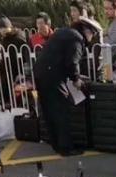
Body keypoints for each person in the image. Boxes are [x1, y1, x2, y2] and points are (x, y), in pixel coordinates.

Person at [33, 27, 85, 155]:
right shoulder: (76, 40)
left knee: (49, 111)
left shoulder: (63, 33)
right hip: (52, 75)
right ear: (88, 32)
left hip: (41, 72)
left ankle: (56, 144)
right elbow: (72, 62)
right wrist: (76, 79)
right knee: (61, 110)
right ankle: (66, 148)